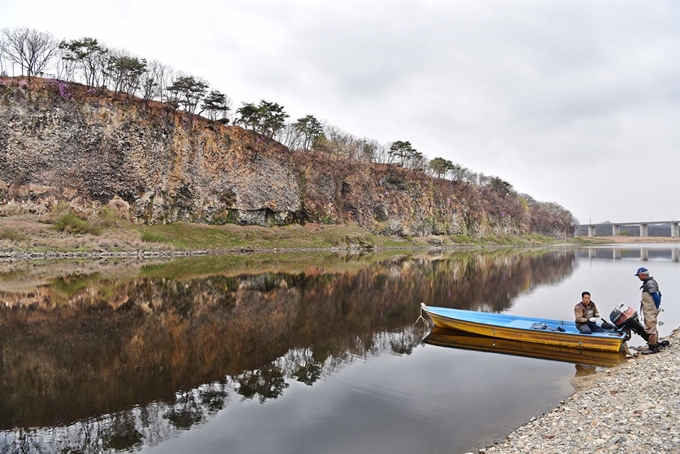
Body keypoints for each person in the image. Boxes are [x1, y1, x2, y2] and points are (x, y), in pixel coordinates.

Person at [634, 267, 662, 354]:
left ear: (643, 275)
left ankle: (653, 347)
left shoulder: (650, 283)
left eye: (639, 275)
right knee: (652, 326)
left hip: (650, 309)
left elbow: (656, 296)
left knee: (650, 327)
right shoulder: (648, 283)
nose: (638, 277)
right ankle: (655, 344)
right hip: (649, 308)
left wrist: (656, 307)